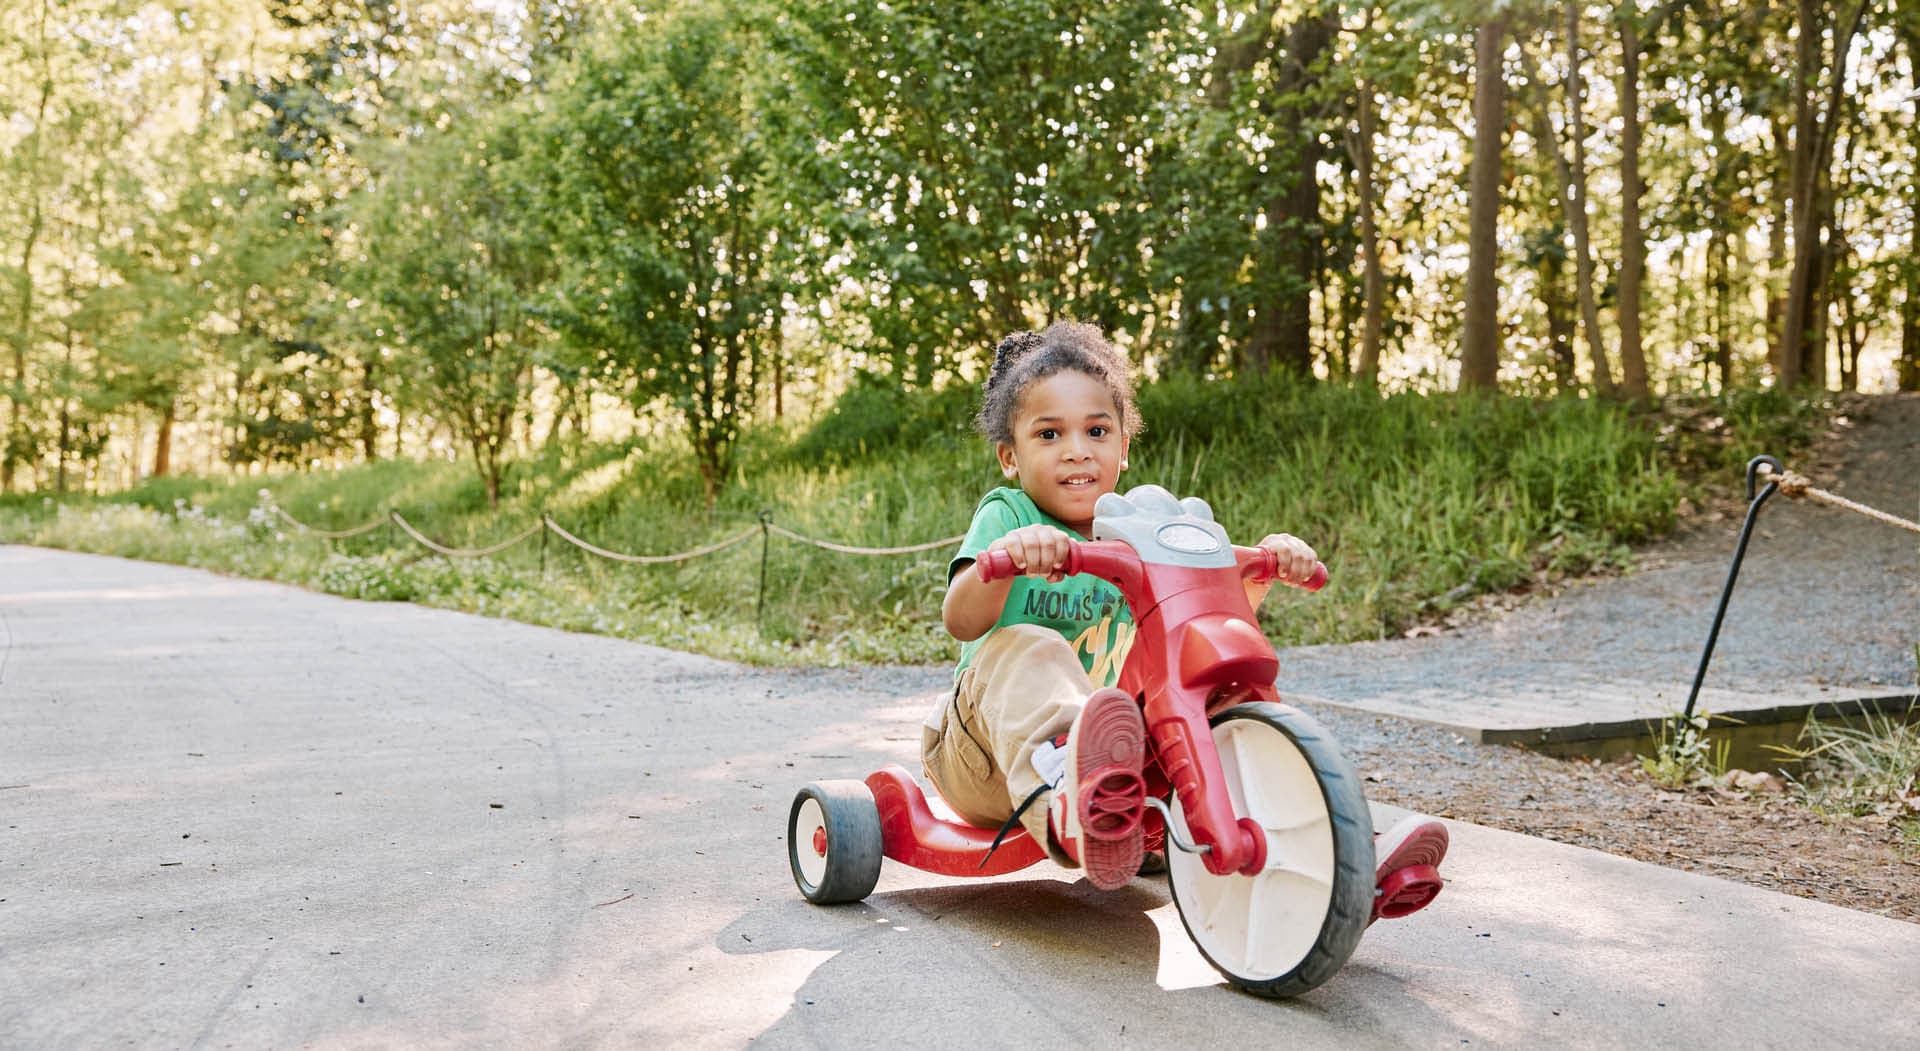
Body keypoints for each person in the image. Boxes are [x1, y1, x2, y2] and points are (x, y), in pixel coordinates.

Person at [923, 321, 1448, 904]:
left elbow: (1213, 620)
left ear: (1123, 448)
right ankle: (1074, 793)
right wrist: (1006, 561)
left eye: (1097, 430)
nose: (1076, 449)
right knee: (1031, 644)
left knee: (1214, 684)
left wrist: (1263, 566)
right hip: (985, 756)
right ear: (1009, 457)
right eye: (1049, 435)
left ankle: (1336, 847)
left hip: (1119, 770)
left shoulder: (1141, 529)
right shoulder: (1010, 514)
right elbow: (961, 621)